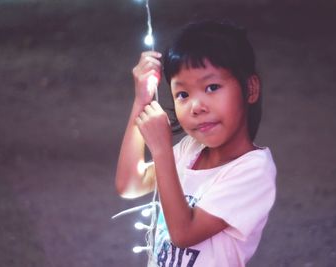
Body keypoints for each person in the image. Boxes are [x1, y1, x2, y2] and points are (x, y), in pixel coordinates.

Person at [115, 20, 277, 267]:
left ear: (250, 88)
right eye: (183, 94)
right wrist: (141, 102)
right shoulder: (190, 151)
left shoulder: (253, 171)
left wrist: (161, 150)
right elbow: (130, 185)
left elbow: (183, 234)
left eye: (212, 87)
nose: (196, 107)